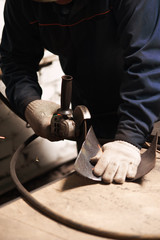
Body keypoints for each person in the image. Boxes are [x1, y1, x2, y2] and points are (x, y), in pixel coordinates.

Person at [1, 0, 160, 184]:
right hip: (93, 118)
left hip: (151, 109)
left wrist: (129, 139)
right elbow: (16, 62)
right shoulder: (23, 3)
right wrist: (30, 102)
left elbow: (149, 64)